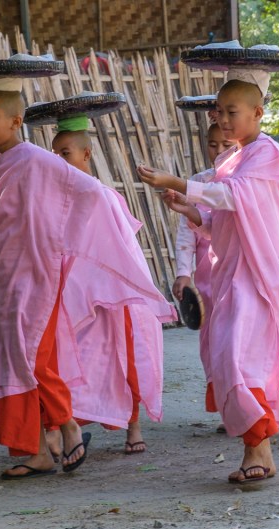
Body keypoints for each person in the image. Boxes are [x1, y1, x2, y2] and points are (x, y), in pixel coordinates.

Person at [0, 72, 175, 480]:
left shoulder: (37, 160)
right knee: (11, 362)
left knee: (32, 359)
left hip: (38, 275)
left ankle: (68, 425)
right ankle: (36, 452)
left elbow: (90, 193)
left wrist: (61, 240)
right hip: (5, 279)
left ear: (15, 121)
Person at [138, 61, 279, 484]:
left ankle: (258, 449)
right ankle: (259, 450)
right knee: (228, 362)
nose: (224, 119)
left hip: (258, 278)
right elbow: (223, 222)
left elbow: (235, 196)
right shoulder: (232, 160)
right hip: (230, 277)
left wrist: (180, 182)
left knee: (238, 363)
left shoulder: (266, 152)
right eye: (220, 111)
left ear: (258, 113)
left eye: (233, 111)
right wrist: (190, 210)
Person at [40, 103, 168, 456]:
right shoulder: (53, 200)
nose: (59, 162)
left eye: (66, 153)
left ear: (86, 154)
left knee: (123, 358)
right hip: (70, 294)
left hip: (109, 296)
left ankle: (133, 424)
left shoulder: (102, 195)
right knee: (69, 361)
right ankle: (60, 425)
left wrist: (114, 288)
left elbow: (124, 250)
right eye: (54, 155)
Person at [171, 119, 233, 433]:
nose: (219, 151)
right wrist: (184, 274)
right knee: (214, 343)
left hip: (238, 275)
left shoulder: (246, 182)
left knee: (240, 341)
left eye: (227, 145)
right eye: (213, 144)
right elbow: (187, 234)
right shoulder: (197, 183)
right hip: (208, 284)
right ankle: (228, 409)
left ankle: (252, 408)